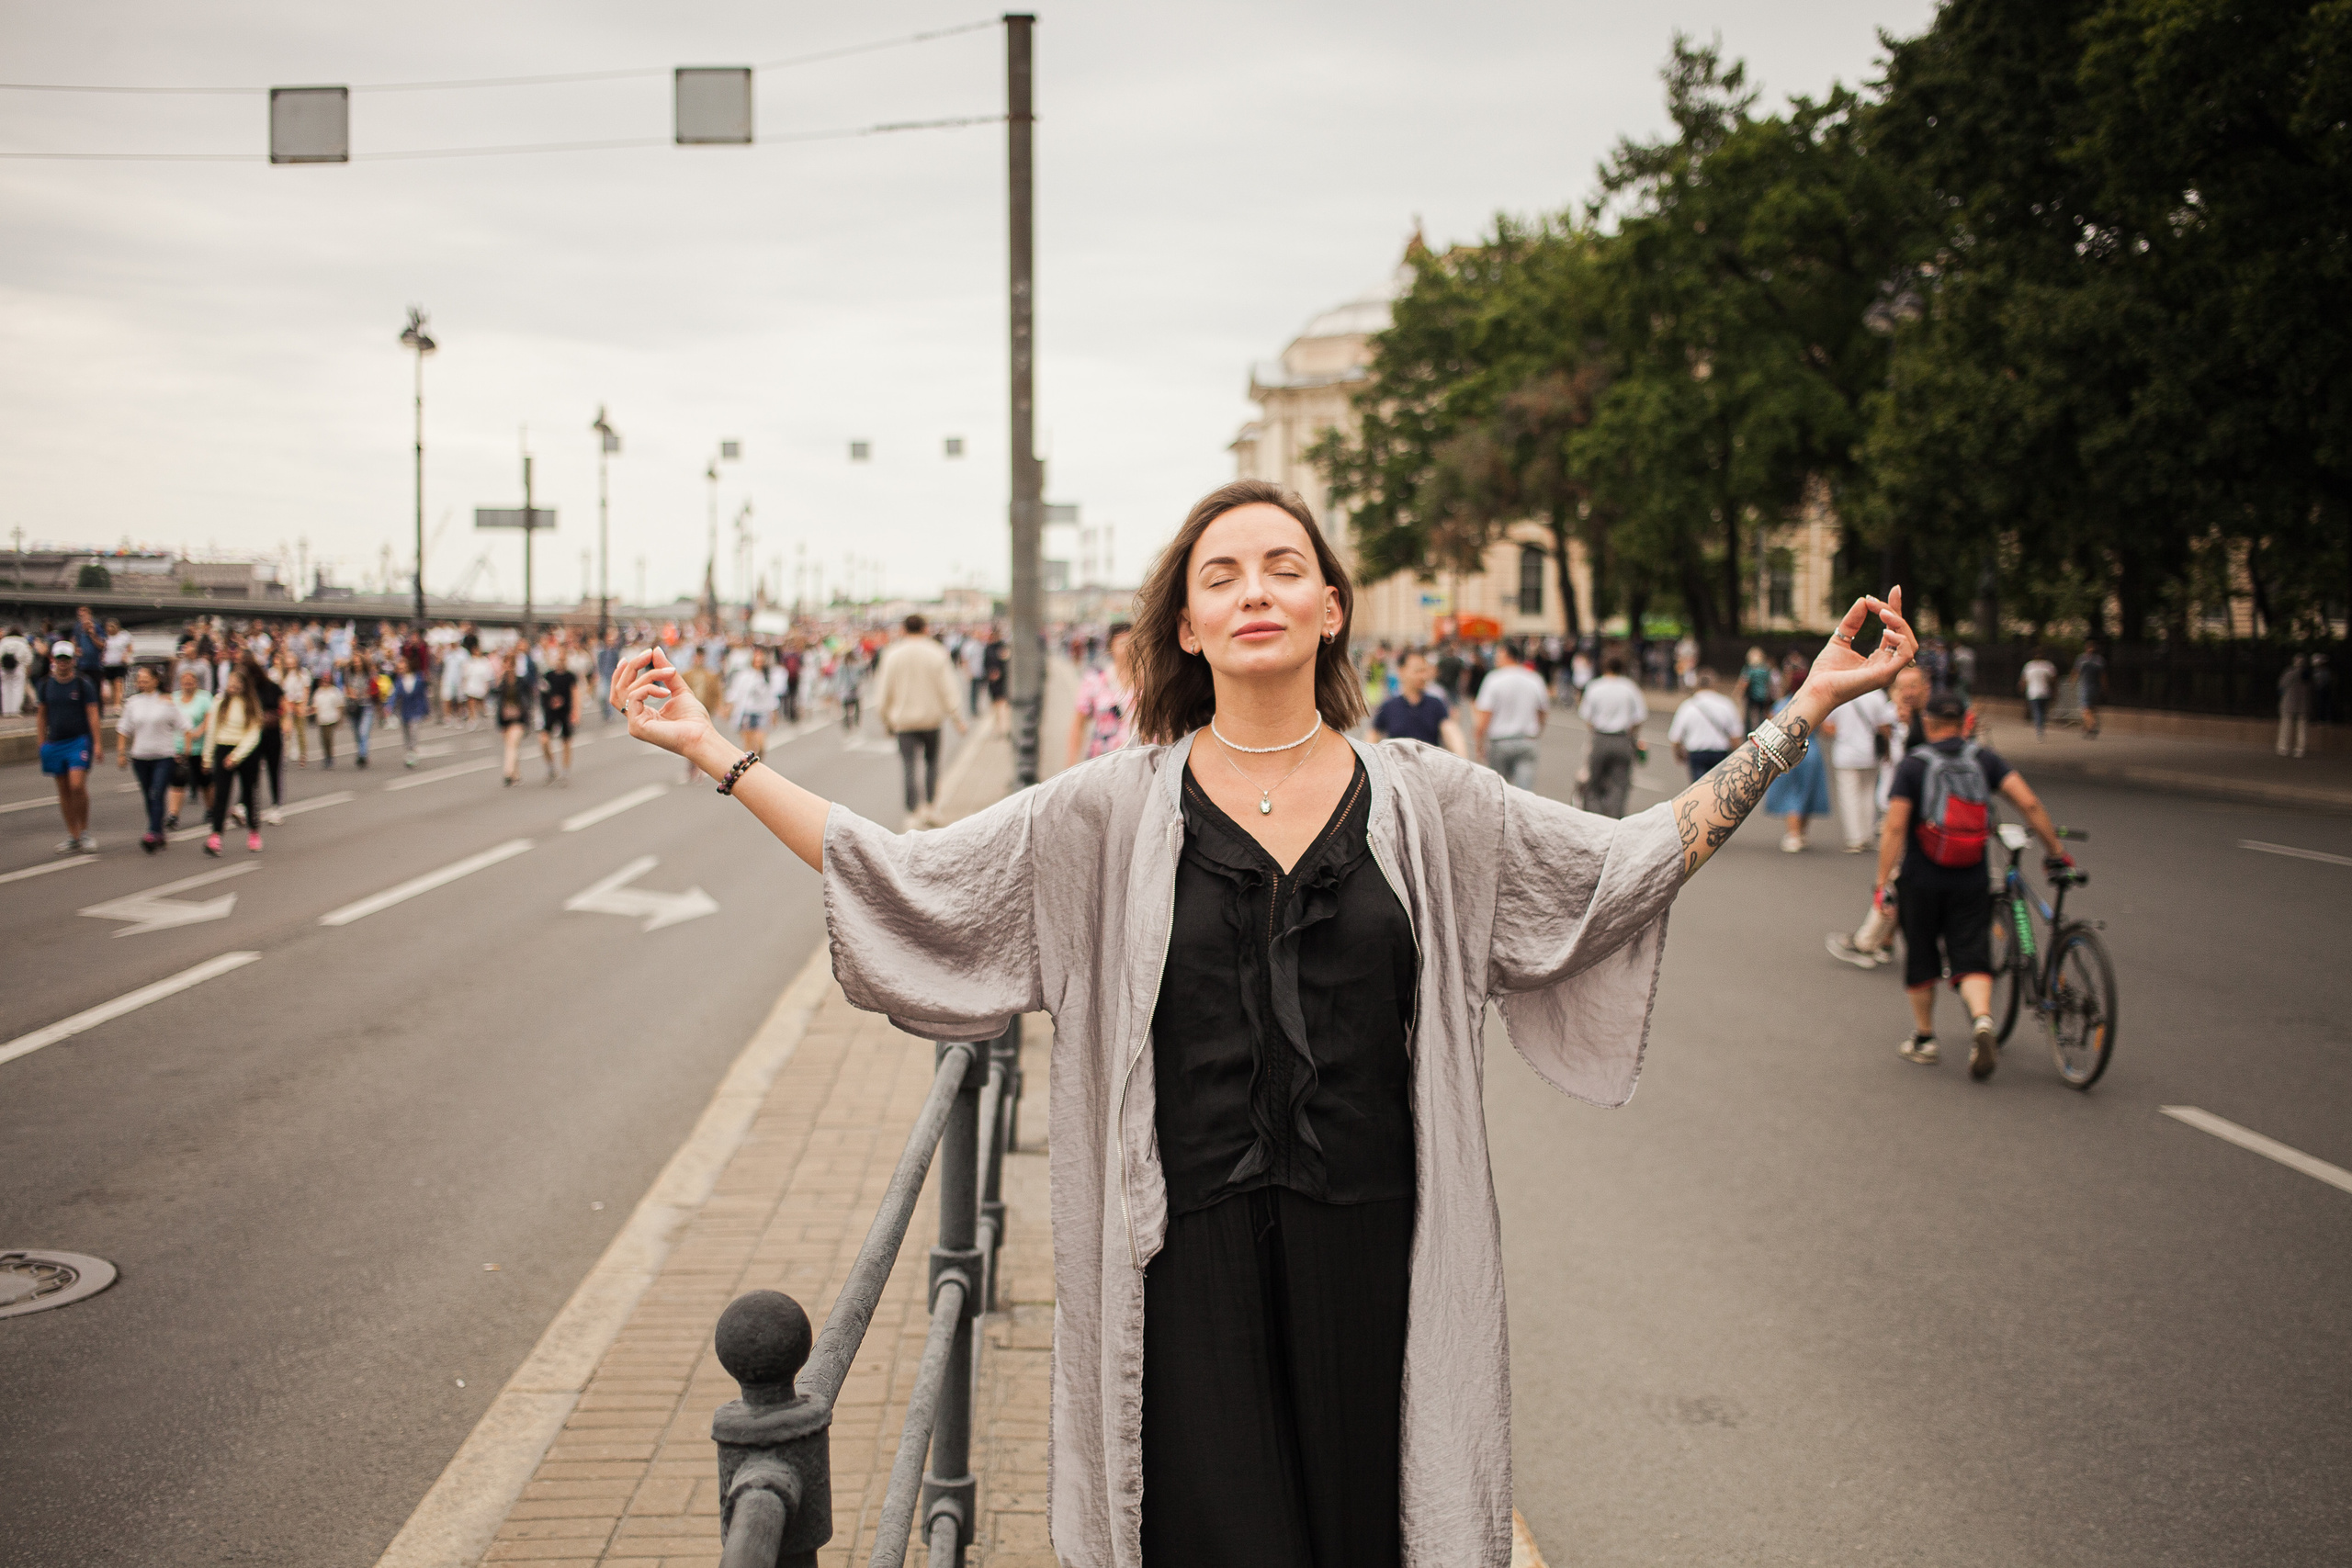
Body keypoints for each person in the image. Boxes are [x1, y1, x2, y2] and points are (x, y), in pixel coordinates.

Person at [607, 476, 1916, 1568]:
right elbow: (909, 874)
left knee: (1367, 1532)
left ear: (1331, 607)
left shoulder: (1430, 801)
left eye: (1285, 568)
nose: (1255, 592)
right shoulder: (1105, 811)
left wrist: (1804, 710)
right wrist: (719, 754)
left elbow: (1623, 865)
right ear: (1185, 623)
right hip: (1178, 1261)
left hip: (1382, 1251)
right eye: (1221, 575)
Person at [1879, 691, 2067, 1078]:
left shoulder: (1914, 765)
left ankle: (1925, 1039)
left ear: (1927, 723)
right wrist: (2056, 851)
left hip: (1921, 877)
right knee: (1971, 955)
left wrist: (1883, 882)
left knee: (1921, 955)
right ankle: (1982, 1019)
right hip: (1971, 874)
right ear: (1966, 721)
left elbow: (1895, 826)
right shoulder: (1984, 759)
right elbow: (2029, 803)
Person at [874, 614, 966, 825]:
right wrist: (957, 717)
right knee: (932, 762)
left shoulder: (892, 654)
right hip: (931, 719)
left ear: (903, 630)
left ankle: (913, 810)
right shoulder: (936, 652)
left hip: (904, 721)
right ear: (925, 629)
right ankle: (931, 806)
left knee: (908, 765)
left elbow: (884, 691)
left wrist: (885, 719)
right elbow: (948, 688)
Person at [38, 640, 104, 852]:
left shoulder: (83, 683)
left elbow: (93, 714)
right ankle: (73, 835)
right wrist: (41, 743)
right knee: (64, 790)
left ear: (73, 660)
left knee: (77, 786)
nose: (63, 663)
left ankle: (84, 831)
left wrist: (97, 743)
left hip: (78, 740)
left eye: (66, 659)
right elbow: (42, 715)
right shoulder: (46, 685)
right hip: (55, 742)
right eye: (60, 659)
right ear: (54, 660)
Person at [116, 663, 186, 852]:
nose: (142, 683)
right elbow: (123, 729)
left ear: (156, 680)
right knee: (149, 795)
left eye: (146, 680)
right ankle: (158, 831)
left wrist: (184, 750)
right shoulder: (133, 703)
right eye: (139, 680)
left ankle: (153, 832)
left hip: (164, 756)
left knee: (157, 792)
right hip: (140, 757)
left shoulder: (167, 701)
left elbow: (184, 726)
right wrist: (121, 753)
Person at [1761, 667, 1832, 852]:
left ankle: (1793, 834)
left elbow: (1771, 728)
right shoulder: (1816, 704)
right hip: (1811, 750)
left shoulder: (1782, 704)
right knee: (1808, 792)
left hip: (1786, 751)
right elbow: (1826, 730)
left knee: (1791, 793)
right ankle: (1801, 832)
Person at [1825, 682, 1897, 852]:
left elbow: (1827, 727)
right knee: (1868, 794)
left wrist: (1843, 732)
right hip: (1869, 753)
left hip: (1845, 754)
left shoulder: (1841, 695)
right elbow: (1885, 726)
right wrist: (1887, 751)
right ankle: (1867, 834)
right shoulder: (1876, 696)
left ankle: (1855, 838)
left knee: (1849, 797)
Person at [202, 667, 266, 856]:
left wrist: (236, 756)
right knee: (221, 795)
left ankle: (254, 832)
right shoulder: (219, 702)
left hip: (246, 752)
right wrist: (207, 757)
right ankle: (216, 836)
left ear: (245, 685)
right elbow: (212, 730)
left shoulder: (251, 703)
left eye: (237, 683)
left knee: (249, 793)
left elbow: (254, 734)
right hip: (224, 748)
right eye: (231, 683)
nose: (233, 686)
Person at [1577, 653, 1648, 818]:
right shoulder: (1630, 688)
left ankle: (1595, 818)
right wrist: (1632, 735)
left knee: (1594, 783)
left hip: (1601, 737)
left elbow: (1587, 717)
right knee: (1619, 785)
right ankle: (1614, 819)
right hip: (1622, 739)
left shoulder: (1595, 687)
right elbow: (1639, 717)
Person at [1474, 640, 1550, 790]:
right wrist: (1538, 730)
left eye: (1498, 654)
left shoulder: (1493, 679)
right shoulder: (1534, 678)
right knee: (1524, 792)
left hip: (1500, 741)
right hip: (1527, 740)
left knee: (1500, 790)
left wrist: (1479, 742)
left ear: (1506, 655)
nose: (1495, 658)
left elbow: (1485, 715)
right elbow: (1542, 710)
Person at [1368, 649, 1466, 755]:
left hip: (1428, 764)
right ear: (1401, 671)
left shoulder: (1435, 704)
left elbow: (1450, 732)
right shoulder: (1389, 706)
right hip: (1396, 764)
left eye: (1425, 671)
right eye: (1418, 671)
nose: (1423, 676)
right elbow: (1372, 735)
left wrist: (1461, 756)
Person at [1067, 621, 1136, 767]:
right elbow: (1078, 725)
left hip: (1140, 762)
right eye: (1123, 643)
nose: (1129, 648)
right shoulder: (1095, 681)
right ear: (1111, 648)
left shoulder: (1150, 682)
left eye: (1133, 643)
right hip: (1104, 763)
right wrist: (1071, 765)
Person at [1667, 668, 1744, 782]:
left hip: (1696, 754)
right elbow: (1735, 736)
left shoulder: (1688, 706)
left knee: (1699, 787)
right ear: (1715, 684)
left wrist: (1679, 755)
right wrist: (1738, 758)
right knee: (1718, 787)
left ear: (1697, 685)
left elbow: (1675, 737)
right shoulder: (1726, 705)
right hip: (1720, 754)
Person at [166, 663, 212, 830]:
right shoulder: (174, 698)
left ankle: (211, 809)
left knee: (205, 781)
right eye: (184, 681)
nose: (187, 683)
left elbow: (209, 718)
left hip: (199, 747)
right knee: (177, 781)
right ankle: (173, 815)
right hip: (179, 746)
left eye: (191, 680)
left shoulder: (204, 698)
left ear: (196, 682)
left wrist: (199, 731)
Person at [679, 646, 726, 784]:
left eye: (701, 657)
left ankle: (699, 767)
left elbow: (717, 693)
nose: (699, 660)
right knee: (690, 740)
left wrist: (720, 707)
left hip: (705, 711)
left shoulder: (711, 675)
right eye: (697, 657)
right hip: (689, 711)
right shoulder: (686, 674)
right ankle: (692, 767)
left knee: (700, 740)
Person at [726, 646, 778, 761]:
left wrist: (774, 712)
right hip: (747, 712)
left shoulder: (767, 675)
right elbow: (734, 693)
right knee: (748, 748)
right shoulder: (744, 675)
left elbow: (772, 696)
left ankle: (759, 764)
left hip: (762, 713)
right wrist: (729, 708)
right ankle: (749, 768)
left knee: (761, 745)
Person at [540, 649, 581, 782]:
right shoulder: (548, 675)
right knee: (544, 740)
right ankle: (551, 766)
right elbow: (542, 693)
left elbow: (575, 694)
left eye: (562, 659)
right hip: (551, 712)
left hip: (565, 712)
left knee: (566, 742)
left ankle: (565, 770)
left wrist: (576, 713)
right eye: (558, 659)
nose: (560, 662)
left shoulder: (570, 676)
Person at [492, 653, 532, 785]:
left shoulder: (521, 682)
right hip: (506, 719)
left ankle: (508, 773)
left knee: (512, 744)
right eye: (506, 664)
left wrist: (527, 717)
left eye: (510, 664)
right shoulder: (502, 683)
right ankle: (516, 775)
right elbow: (495, 698)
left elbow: (528, 700)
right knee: (512, 746)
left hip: (519, 718)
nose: (508, 667)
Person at [393, 657, 432, 766]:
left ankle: (412, 753)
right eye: (399, 669)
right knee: (406, 733)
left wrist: (426, 711)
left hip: (416, 710)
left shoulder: (418, 678)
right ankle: (409, 751)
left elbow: (423, 696)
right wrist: (389, 706)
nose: (401, 670)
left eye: (402, 668)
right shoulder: (399, 680)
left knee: (414, 731)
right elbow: (394, 695)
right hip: (405, 710)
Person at [2278, 654, 2312, 759]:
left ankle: (2286, 747)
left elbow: (2282, 684)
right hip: (2299, 703)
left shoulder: (2291, 672)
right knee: (2299, 726)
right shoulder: (2305, 673)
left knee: (2289, 725)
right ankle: (2297, 748)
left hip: (2293, 703)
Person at [311, 667, 345, 768]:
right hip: (322, 719)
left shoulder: (335, 691)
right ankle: (326, 755)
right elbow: (315, 706)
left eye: (327, 679)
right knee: (323, 739)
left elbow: (340, 705)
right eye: (324, 679)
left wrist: (340, 719)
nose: (325, 681)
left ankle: (330, 757)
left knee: (329, 738)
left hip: (332, 718)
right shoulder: (318, 692)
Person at [2019, 649, 2057, 738]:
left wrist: (2022, 688)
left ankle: (2039, 728)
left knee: (2038, 711)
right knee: (2041, 711)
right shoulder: (2047, 665)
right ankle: (2040, 727)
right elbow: (2053, 679)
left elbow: (2024, 680)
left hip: (2034, 693)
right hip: (2044, 692)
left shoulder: (2029, 666)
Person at [2071, 641, 2105, 739]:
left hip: (2085, 687)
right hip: (2095, 687)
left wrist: (2073, 683)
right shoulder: (2099, 660)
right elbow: (2103, 675)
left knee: (2085, 709)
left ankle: (2092, 724)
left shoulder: (2081, 659)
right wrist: (2104, 687)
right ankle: (2087, 728)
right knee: (2092, 708)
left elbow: (2076, 672)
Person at [101, 618, 133, 712]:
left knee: (118, 682)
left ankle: (117, 704)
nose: (110, 629)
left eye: (112, 627)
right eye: (108, 627)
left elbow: (130, 647)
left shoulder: (124, 636)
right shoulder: (105, 637)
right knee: (111, 683)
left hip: (119, 663)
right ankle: (114, 701)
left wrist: (126, 655)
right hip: (108, 663)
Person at [0, 623, 31, 717]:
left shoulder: (4, 642)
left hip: (4, 669)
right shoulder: (23, 642)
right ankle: (15, 711)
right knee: (17, 690)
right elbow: (28, 658)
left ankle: (6, 712)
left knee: (5, 690)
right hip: (18, 668)